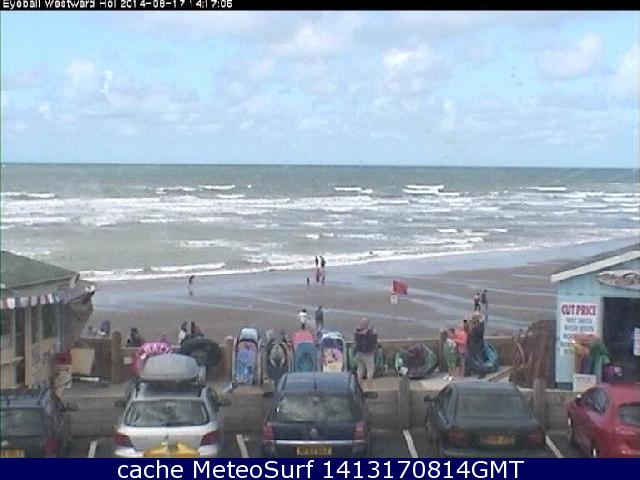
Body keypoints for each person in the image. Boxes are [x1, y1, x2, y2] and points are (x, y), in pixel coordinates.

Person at [354, 318, 377, 388]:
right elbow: (374, 341)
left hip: (359, 353)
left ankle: (359, 385)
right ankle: (369, 386)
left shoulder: (357, 333)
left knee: (360, 369)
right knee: (370, 370)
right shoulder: (369, 333)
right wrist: (374, 333)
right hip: (368, 354)